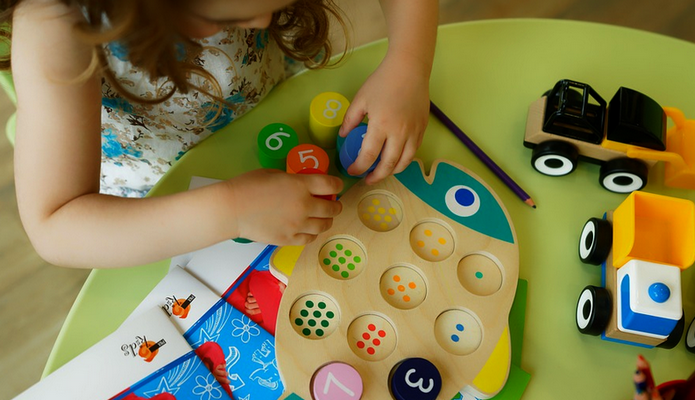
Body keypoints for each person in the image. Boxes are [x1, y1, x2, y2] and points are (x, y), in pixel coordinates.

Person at [2, 0, 438, 268]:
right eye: (230, 16)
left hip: (267, 110)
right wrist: (230, 211)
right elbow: (54, 226)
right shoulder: (55, 26)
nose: (263, 19)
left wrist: (408, 63)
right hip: (156, 204)